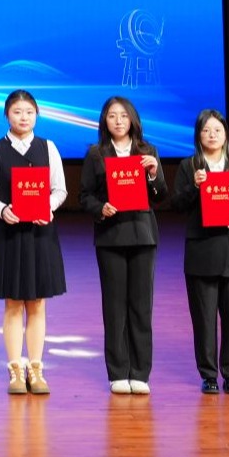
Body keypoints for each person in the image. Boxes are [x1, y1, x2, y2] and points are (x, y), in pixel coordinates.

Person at [0, 89, 67, 396]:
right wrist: (4, 210)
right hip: (10, 234)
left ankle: (36, 368)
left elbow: (60, 190)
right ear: (7, 115)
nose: (23, 117)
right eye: (17, 112)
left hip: (40, 234)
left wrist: (47, 207)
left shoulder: (48, 147)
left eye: (29, 112)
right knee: (13, 303)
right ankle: (15, 369)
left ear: (37, 115)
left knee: (38, 303)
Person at [78, 96, 163, 395]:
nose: (118, 121)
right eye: (112, 115)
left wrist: (153, 173)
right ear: (105, 120)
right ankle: (117, 372)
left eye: (123, 116)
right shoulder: (96, 153)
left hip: (142, 236)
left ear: (133, 120)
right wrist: (100, 208)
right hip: (111, 236)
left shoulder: (147, 152)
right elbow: (85, 196)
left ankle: (140, 373)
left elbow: (160, 195)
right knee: (114, 308)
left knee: (141, 307)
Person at [171, 109, 229, 395]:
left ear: (225, 134)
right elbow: (177, 205)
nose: (212, 135)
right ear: (198, 135)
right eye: (206, 130)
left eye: (217, 130)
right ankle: (208, 375)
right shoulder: (189, 166)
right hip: (201, 250)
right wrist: (194, 187)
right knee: (204, 319)